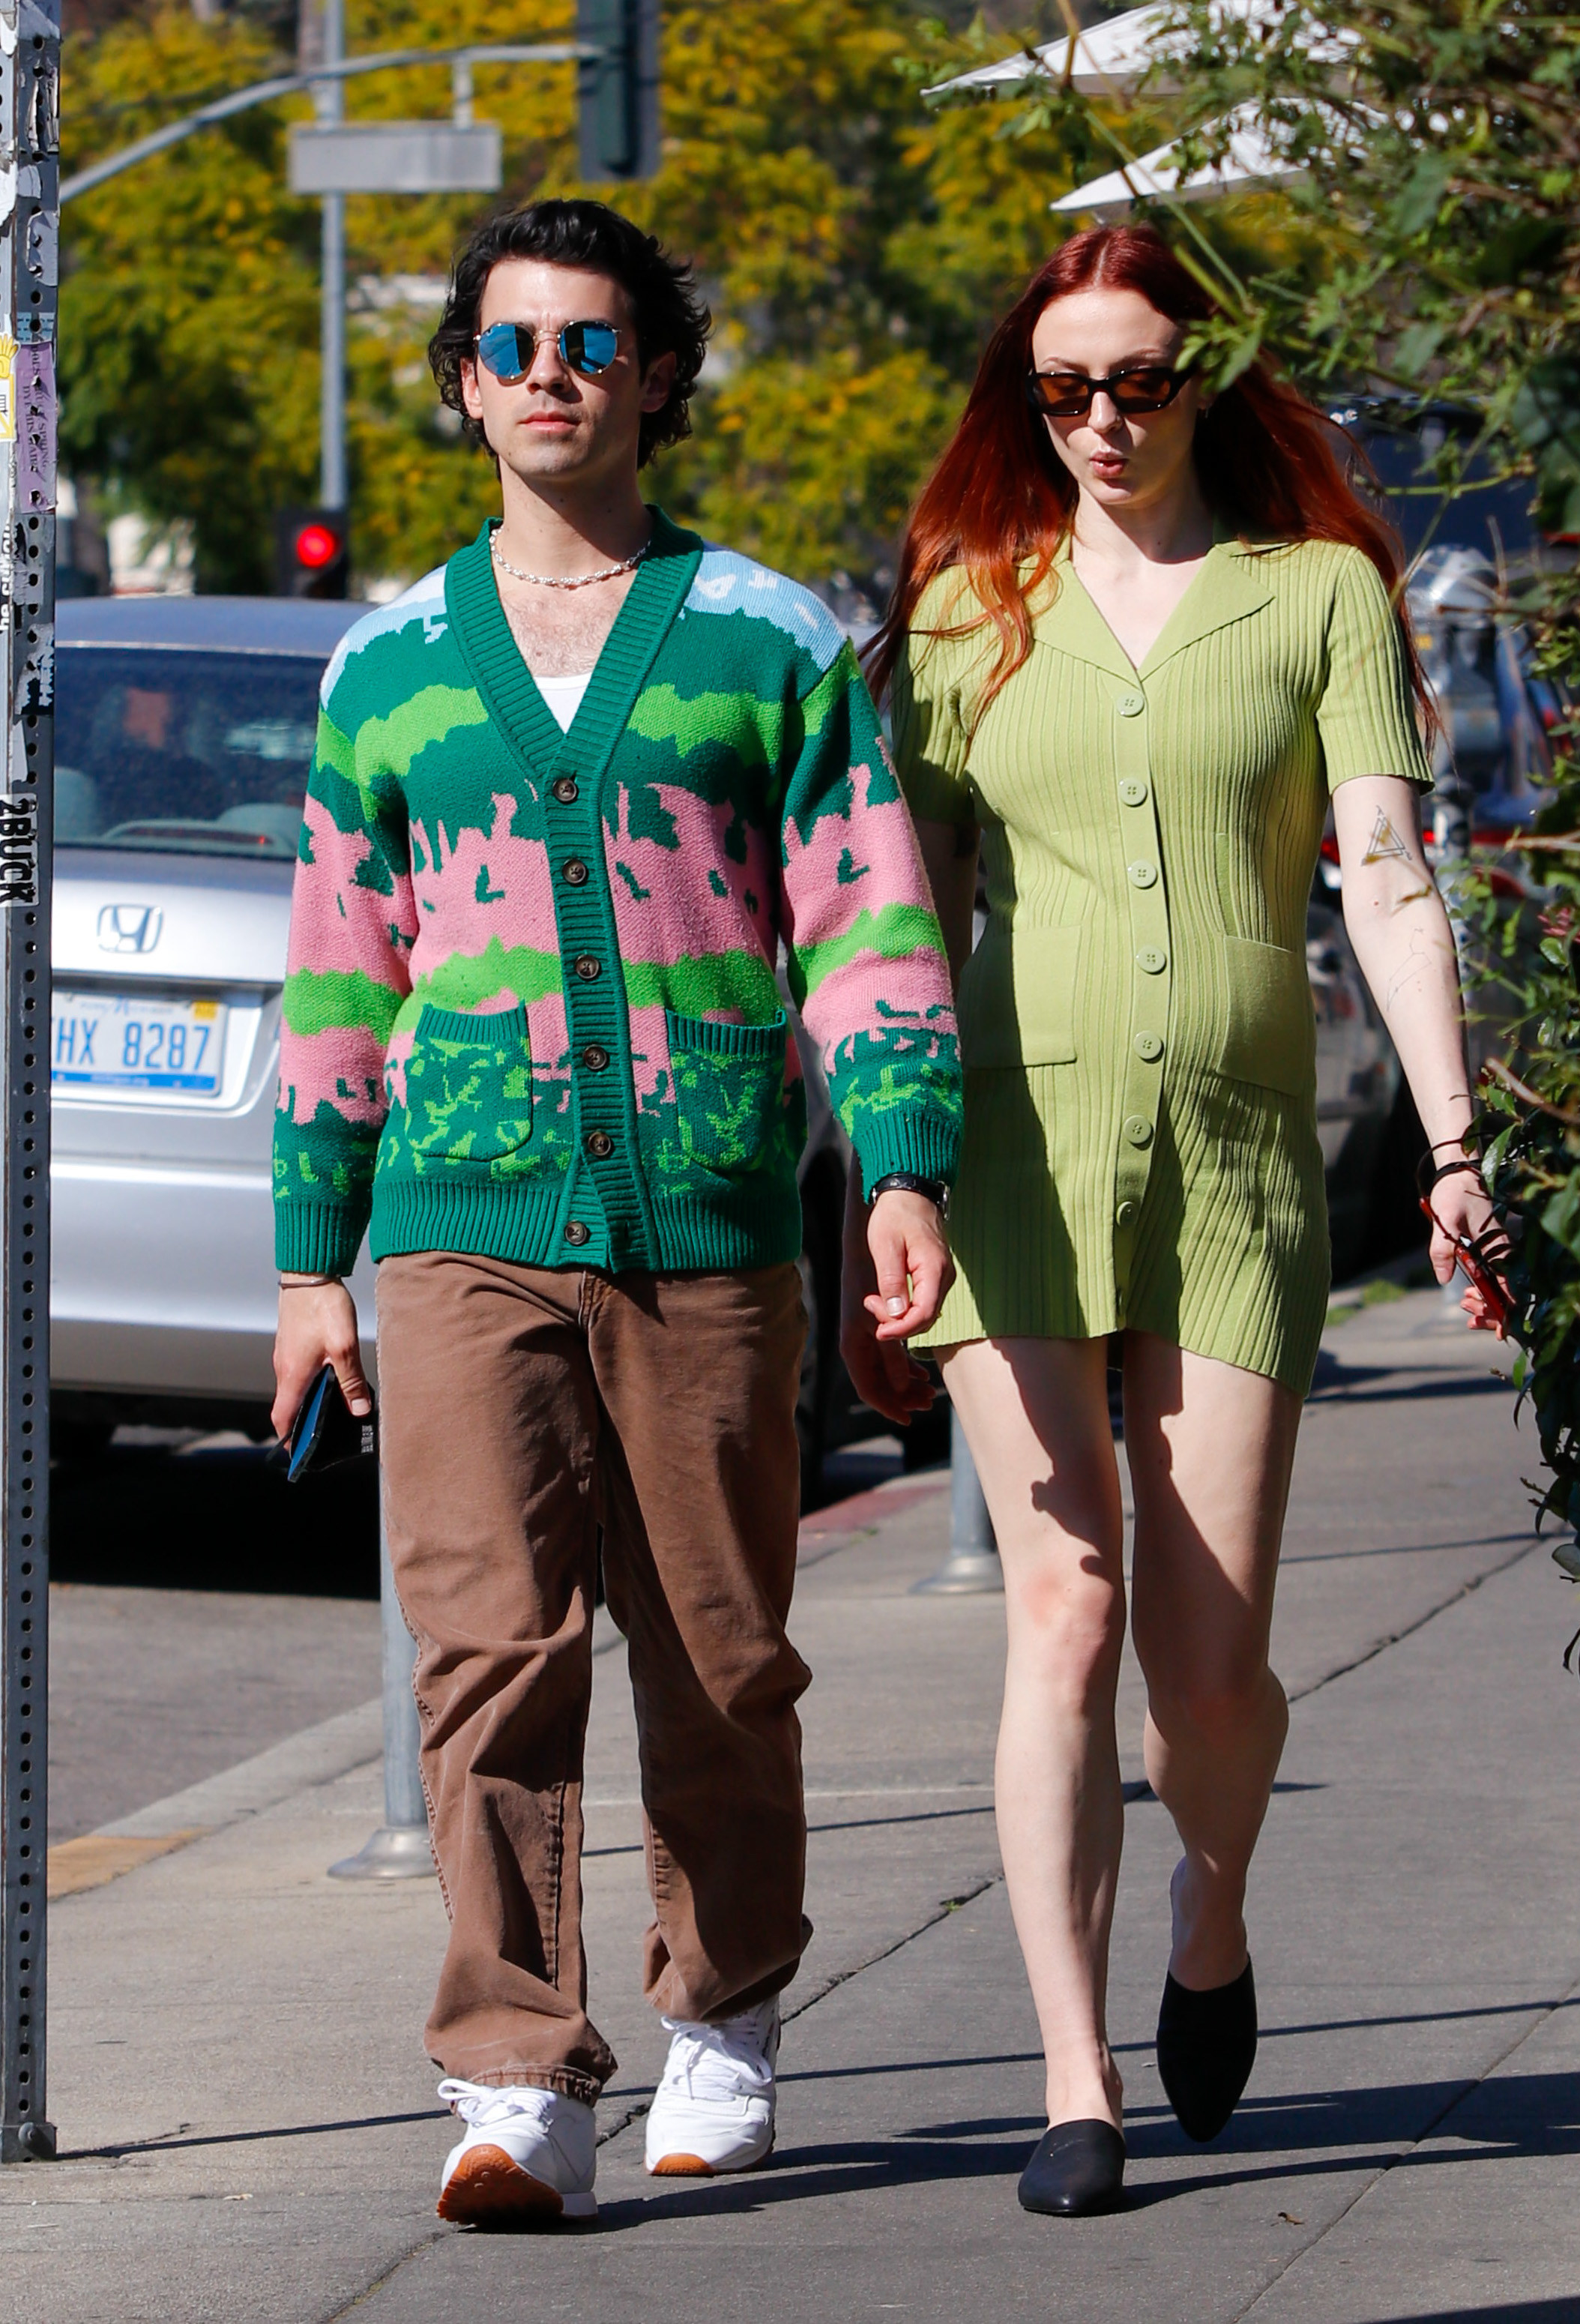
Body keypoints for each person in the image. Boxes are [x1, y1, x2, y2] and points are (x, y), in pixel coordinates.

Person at [268, 197, 962, 2227]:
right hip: (463, 1221)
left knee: (724, 1648)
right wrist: (314, 1258)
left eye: (592, 340)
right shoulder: (391, 666)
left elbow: (866, 911)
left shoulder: (768, 636)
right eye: (512, 346)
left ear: (657, 373)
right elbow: (335, 967)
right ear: (467, 389)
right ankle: (511, 2071)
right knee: (486, 1649)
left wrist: (900, 1160)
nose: (551, 373)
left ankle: (726, 2008)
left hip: (712, 1211)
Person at [856, 225, 1508, 2218]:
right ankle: (1077, 2076)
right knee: (1060, 1616)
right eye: (1064, 390)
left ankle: (1209, 1908)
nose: (1105, 421)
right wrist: (889, 1159)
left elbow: (1386, 874)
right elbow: (912, 914)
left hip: (1238, 1161)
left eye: (1138, 381)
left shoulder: (1324, 595)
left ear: (1204, 379)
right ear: (1024, 403)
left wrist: (1461, 1146)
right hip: (1014, 1161)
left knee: (1207, 1671)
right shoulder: (968, 606)